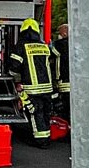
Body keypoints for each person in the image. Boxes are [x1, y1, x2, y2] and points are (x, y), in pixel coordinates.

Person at [7, 18, 55, 148]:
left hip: (32, 88)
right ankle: (46, 137)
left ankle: (41, 141)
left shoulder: (22, 46)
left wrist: (17, 81)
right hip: (47, 87)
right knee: (45, 112)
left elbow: (14, 68)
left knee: (36, 113)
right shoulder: (44, 46)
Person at [51, 23, 70, 121]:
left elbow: (50, 54)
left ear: (65, 33)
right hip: (74, 80)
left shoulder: (60, 44)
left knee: (65, 106)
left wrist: (49, 45)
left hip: (64, 80)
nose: (59, 35)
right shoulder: (77, 44)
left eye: (60, 33)